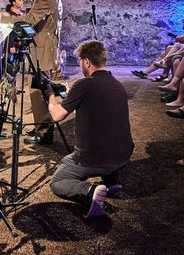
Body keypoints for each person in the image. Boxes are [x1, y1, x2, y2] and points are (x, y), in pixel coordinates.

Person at [45, 41, 134, 218]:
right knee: (108, 131)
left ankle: (90, 192)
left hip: (95, 159)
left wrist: (50, 97)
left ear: (87, 62)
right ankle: (111, 179)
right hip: (124, 155)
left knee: (59, 179)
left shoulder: (83, 85)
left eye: (79, 60)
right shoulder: (117, 84)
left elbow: (57, 115)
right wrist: (73, 92)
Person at [0, 0, 63, 145]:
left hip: (43, 49)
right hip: (45, 47)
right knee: (39, 86)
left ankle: (44, 131)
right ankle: (40, 125)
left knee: (38, 88)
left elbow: (28, 20)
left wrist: (1, 17)